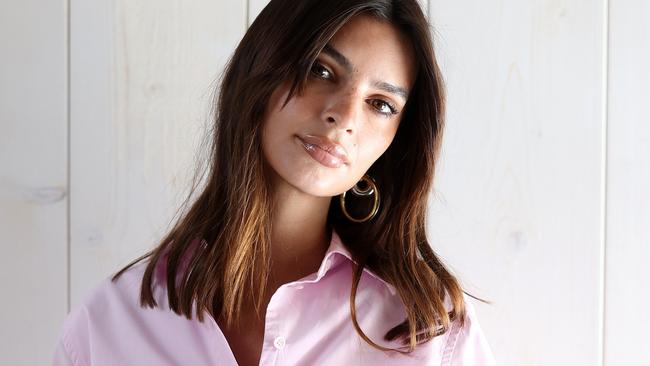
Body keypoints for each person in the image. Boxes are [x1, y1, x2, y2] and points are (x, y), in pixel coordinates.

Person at [53, 0, 496, 365]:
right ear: (261, 71)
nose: (343, 116)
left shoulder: (430, 332)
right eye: (322, 71)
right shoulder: (111, 322)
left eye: (380, 105)